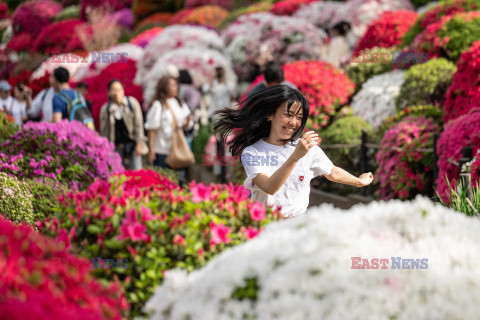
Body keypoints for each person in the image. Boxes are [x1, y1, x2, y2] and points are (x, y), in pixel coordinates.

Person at [214, 85, 374, 218]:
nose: (293, 122)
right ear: (270, 114)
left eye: (299, 117)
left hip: (298, 225)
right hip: (267, 227)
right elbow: (270, 187)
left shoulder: (307, 148)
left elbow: (332, 172)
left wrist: (358, 181)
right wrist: (295, 156)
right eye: (288, 115)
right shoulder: (253, 153)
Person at [144, 75, 194, 184]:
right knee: (164, 182)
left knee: (179, 182)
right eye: (172, 85)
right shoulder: (158, 105)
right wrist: (151, 149)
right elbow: (151, 128)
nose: (175, 87)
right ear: (164, 87)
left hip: (177, 149)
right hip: (162, 150)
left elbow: (186, 126)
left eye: (176, 85)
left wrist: (187, 123)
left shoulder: (180, 103)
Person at [99, 79, 146, 170]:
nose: (116, 93)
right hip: (116, 147)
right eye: (113, 90)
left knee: (136, 171)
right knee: (118, 174)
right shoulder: (106, 109)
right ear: (108, 92)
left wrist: (139, 143)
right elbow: (104, 131)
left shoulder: (132, 103)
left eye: (119, 89)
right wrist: (106, 148)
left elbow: (138, 124)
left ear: (123, 90)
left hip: (133, 144)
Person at [178, 69, 202, 149]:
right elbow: (198, 106)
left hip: (182, 118)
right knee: (188, 138)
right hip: (192, 118)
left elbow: (178, 102)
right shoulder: (195, 90)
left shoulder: (181, 88)